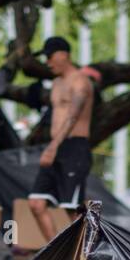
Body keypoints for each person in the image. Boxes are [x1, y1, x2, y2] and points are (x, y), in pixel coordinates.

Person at [29, 36, 94, 242]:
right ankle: (58, 256)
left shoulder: (81, 81)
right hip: (56, 146)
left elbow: (73, 116)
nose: (47, 62)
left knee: (73, 211)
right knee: (36, 203)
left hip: (75, 148)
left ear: (64, 54)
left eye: (50, 56)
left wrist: (52, 147)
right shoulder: (56, 84)